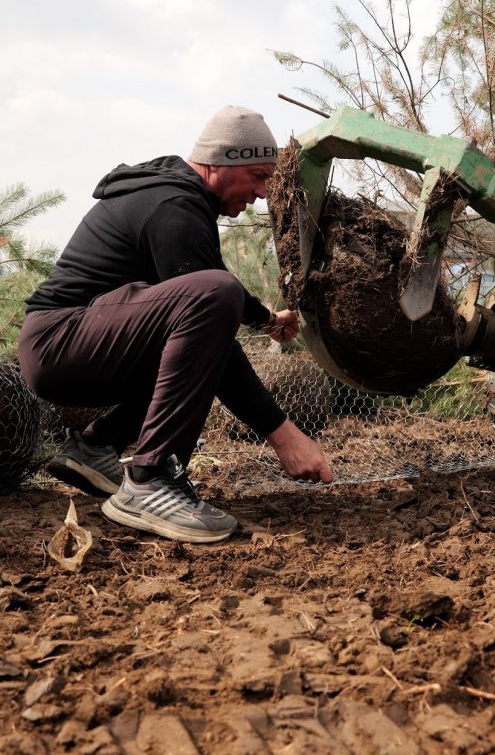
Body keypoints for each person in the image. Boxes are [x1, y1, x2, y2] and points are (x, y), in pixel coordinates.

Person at [18, 105, 333, 545]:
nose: (263, 193)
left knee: (200, 322)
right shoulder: (174, 208)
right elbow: (213, 307)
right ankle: (150, 480)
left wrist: (265, 319)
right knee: (213, 295)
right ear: (222, 163)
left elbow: (199, 313)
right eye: (258, 176)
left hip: (72, 343)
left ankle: (97, 447)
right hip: (59, 343)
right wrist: (284, 435)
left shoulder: (179, 199)